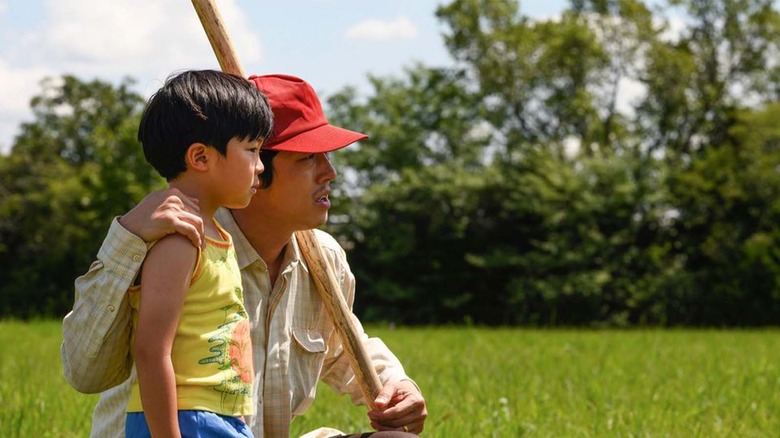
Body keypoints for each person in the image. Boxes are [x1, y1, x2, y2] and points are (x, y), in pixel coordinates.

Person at [61, 74, 428, 438]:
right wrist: (126, 238)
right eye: (307, 158)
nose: (329, 173)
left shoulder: (324, 259)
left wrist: (397, 384)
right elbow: (85, 371)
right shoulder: (176, 238)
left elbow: (342, 347)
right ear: (257, 165)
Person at [124, 69, 273, 437]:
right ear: (201, 157)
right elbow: (150, 350)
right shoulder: (179, 241)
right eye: (252, 150)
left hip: (218, 417)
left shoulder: (217, 235)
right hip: (186, 418)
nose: (261, 165)